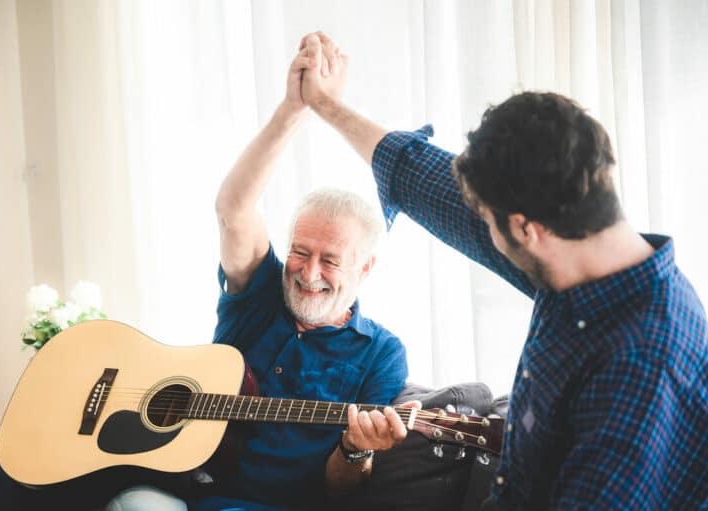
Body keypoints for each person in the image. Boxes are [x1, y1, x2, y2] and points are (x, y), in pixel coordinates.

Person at [296, 32, 708, 509]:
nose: (482, 231)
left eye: (489, 224)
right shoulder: (578, 247)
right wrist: (324, 104)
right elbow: (423, 178)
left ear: (526, 229)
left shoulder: (642, 370)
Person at [106, 41, 413, 511]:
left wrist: (355, 449)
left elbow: (341, 488)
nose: (309, 273)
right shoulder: (259, 294)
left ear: (365, 268)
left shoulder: (381, 353)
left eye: (330, 260)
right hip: (181, 490)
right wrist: (294, 108)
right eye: (300, 252)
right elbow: (234, 209)